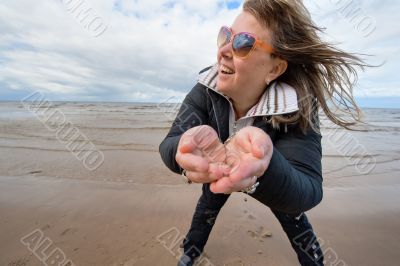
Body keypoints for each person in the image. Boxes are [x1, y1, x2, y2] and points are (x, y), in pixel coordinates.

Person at [159, 0, 366, 265]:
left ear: (275, 68)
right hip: (221, 169)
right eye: (225, 36)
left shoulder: (297, 104)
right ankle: (190, 253)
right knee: (206, 208)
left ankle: (314, 261)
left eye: (243, 43)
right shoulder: (205, 87)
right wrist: (182, 151)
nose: (223, 50)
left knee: (294, 217)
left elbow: (309, 189)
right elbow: (170, 143)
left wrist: (263, 168)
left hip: (271, 175)